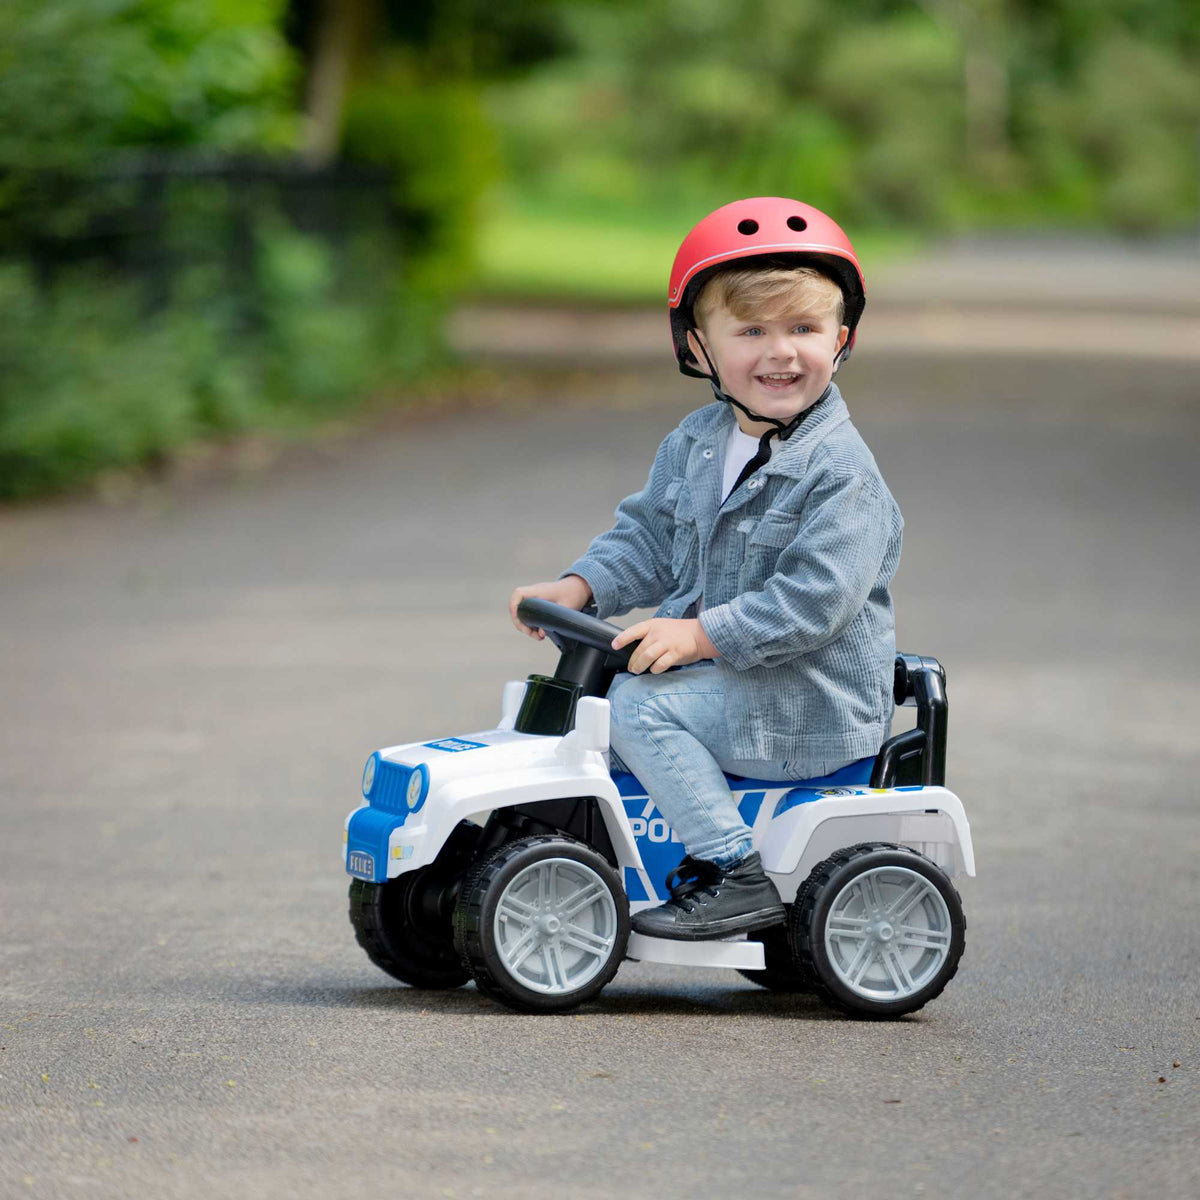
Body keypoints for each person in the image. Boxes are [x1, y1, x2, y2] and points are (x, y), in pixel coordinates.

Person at [509, 197, 903, 941]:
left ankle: (732, 871)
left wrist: (699, 637)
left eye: (803, 329)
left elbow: (816, 600)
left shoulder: (843, 476)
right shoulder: (698, 441)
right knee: (595, 690)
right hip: (737, 683)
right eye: (750, 330)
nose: (780, 353)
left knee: (639, 708)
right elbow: (649, 538)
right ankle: (606, 849)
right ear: (698, 345)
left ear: (841, 339)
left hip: (804, 703)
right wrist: (580, 587)